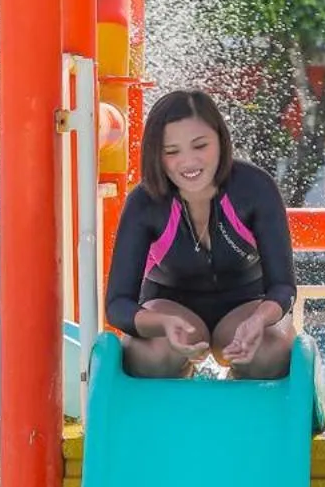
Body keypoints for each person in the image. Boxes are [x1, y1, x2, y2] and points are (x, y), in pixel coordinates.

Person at [104, 88, 298, 379]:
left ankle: (238, 393)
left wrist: (260, 319)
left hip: (246, 305)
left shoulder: (256, 189)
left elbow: (283, 286)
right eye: (172, 152)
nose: (188, 161)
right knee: (146, 353)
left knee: (272, 351)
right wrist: (161, 324)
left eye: (200, 145)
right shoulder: (144, 203)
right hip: (170, 306)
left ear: (221, 140)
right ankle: (181, 382)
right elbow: (118, 304)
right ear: (156, 155)